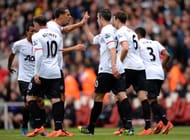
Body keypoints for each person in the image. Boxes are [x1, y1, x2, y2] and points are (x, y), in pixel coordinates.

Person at [78, 8, 133, 136]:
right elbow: (93, 40)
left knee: (98, 97)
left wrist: (113, 66)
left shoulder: (106, 30)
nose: (97, 20)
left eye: (97, 18)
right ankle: (129, 127)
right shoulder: (114, 30)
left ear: (101, 18)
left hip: (108, 70)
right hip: (119, 69)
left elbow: (112, 49)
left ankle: (90, 128)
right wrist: (85, 25)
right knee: (122, 96)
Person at [113, 11, 152, 135]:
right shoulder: (133, 32)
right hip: (139, 67)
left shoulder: (120, 32)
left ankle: (126, 125)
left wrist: (119, 62)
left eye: (114, 19)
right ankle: (147, 127)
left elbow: (125, 48)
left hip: (127, 67)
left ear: (117, 19)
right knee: (142, 97)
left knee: (119, 95)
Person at [135, 27, 173, 134]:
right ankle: (159, 122)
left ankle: (166, 122)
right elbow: (167, 54)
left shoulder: (138, 44)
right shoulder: (155, 42)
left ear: (137, 35)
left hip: (149, 74)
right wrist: (163, 65)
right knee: (154, 100)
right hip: (159, 73)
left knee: (150, 101)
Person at [7, 22, 36, 135]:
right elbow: (12, 54)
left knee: (37, 103)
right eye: (31, 31)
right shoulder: (19, 44)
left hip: (35, 78)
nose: (33, 33)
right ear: (27, 32)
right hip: (23, 78)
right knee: (28, 102)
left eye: (35, 31)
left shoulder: (38, 44)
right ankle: (26, 125)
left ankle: (38, 126)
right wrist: (9, 66)